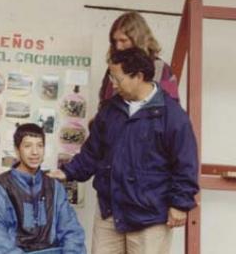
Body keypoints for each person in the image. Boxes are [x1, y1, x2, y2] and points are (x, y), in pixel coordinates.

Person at [48, 48, 199, 254]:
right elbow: (92, 152)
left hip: (150, 217)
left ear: (138, 76)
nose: (113, 84)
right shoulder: (110, 110)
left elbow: (185, 164)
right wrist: (67, 172)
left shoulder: (173, 117)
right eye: (111, 77)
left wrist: (180, 204)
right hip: (110, 212)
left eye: (117, 78)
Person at [0, 123, 86, 254]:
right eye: (28, 146)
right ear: (17, 150)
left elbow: (71, 230)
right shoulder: (1, 186)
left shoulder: (54, 187)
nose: (35, 152)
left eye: (40, 146)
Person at [99, 11, 179, 107]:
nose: (118, 47)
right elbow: (104, 104)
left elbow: (171, 109)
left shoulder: (161, 69)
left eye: (123, 40)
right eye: (115, 41)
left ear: (138, 39)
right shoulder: (113, 70)